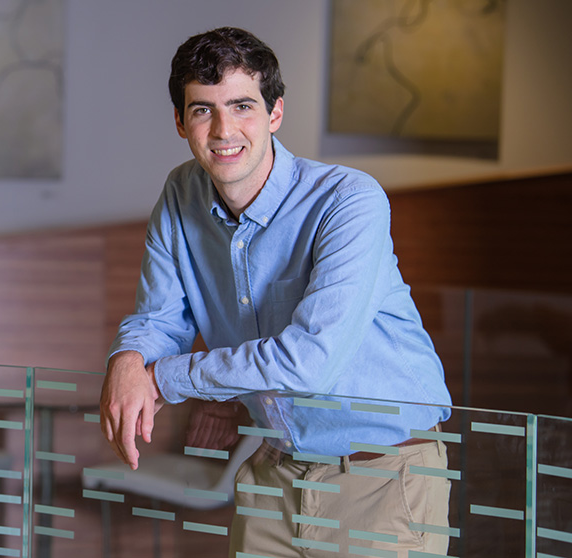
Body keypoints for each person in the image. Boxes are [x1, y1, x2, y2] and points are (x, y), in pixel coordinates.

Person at [99, 27, 453, 556]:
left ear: (275, 113)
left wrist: (164, 378)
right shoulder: (180, 194)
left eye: (242, 105)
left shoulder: (349, 201)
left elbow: (310, 362)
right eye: (202, 110)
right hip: (274, 469)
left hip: (383, 476)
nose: (224, 129)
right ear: (180, 122)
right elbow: (160, 319)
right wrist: (128, 357)